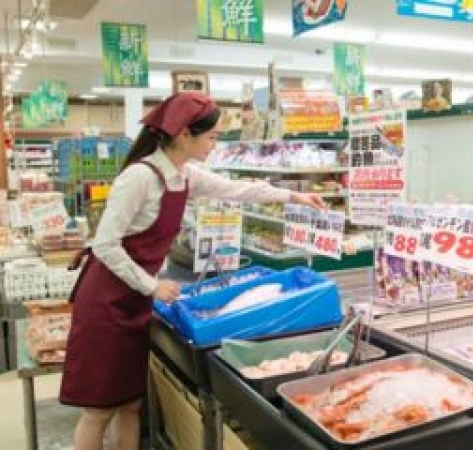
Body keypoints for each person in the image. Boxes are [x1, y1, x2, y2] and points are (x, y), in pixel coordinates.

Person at [59, 91, 326, 450]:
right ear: (184, 134)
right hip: (106, 301)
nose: (215, 145)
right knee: (98, 410)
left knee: (129, 403)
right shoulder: (140, 177)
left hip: (136, 299)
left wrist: (294, 197)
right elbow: (106, 244)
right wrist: (151, 285)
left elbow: (237, 189)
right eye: (212, 137)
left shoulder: (184, 176)